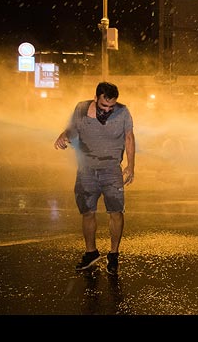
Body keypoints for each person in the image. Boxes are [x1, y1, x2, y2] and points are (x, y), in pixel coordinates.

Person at [54, 81, 135, 276]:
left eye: (111, 106)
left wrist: (131, 166)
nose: (107, 110)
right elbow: (73, 129)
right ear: (95, 98)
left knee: (116, 211)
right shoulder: (81, 108)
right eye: (103, 105)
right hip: (86, 170)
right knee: (87, 211)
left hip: (111, 170)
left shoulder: (123, 112)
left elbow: (129, 138)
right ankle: (91, 253)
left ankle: (113, 255)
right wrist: (63, 135)